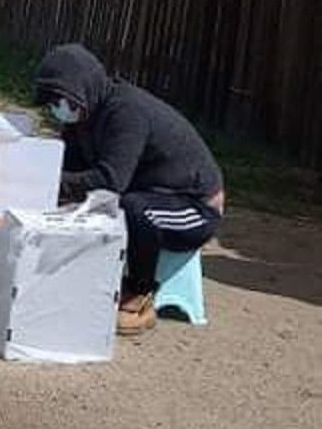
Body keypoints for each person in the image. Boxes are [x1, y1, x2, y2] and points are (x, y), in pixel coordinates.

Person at [34, 43, 227, 336]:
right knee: (121, 203)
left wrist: (50, 179)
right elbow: (70, 171)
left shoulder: (126, 112)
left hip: (196, 208)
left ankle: (142, 295)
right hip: (155, 192)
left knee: (135, 209)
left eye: (61, 100)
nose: (58, 108)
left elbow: (111, 181)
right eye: (53, 101)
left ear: (83, 89)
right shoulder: (84, 117)